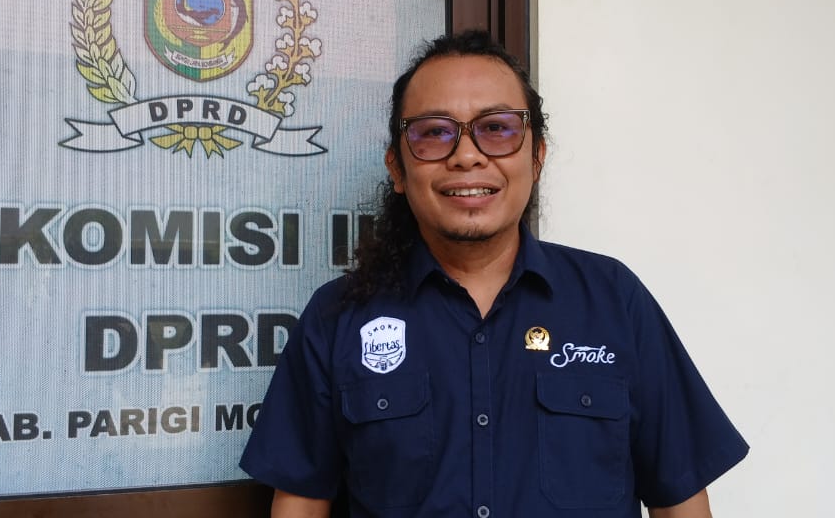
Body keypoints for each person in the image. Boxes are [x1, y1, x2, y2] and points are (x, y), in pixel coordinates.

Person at [240, 30, 748, 517]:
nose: (467, 155)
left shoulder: (614, 300)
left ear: (537, 156)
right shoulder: (338, 317)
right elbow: (301, 503)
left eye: (497, 128)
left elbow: (679, 499)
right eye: (434, 133)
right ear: (397, 168)